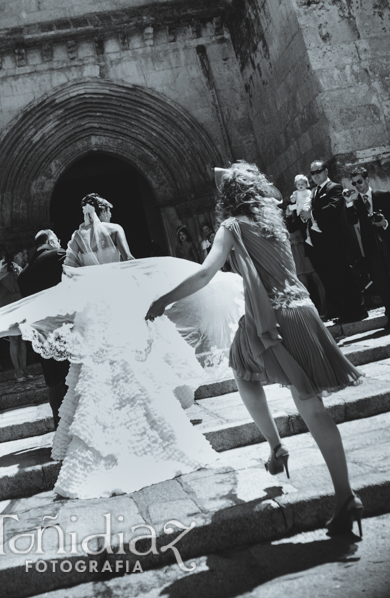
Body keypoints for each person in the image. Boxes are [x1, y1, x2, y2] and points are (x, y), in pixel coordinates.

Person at [147, 161, 365, 539]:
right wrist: (237, 175)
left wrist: (161, 300)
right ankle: (345, 495)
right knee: (309, 404)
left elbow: (204, 274)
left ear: (226, 198)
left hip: (271, 317)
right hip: (303, 310)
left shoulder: (231, 227)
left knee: (243, 372)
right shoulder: (273, 220)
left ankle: (276, 446)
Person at [0, 193, 244, 500]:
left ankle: (99, 438)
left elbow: (69, 274)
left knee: (94, 371)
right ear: (102, 209)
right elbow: (129, 262)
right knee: (133, 362)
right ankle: (146, 430)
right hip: (118, 301)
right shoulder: (116, 230)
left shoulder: (77, 237)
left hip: (93, 310)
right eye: (107, 209)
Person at [17, 229, 69, 427]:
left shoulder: (23, 275)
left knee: (53, 381)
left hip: (42, 334)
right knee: (73, 376)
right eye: (57, 240)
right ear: (51, 240)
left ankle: (60, 426)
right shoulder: (59, 256)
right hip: (67, 327)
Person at [305, 160, 367, 324]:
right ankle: (346, 311)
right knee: (334, 278)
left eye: (318, 171)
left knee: (345, 275)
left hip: (335, 241)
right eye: (313, 173)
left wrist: (310, 214)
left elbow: (333, 209)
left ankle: (358, 310)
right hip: (322, 244)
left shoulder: (334, 187)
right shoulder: (314, 191)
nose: (316, 176)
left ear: (326, 171)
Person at [345, 166, 390, 328]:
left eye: (359, 181)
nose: (357, 185)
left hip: (387, 242)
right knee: (383, 283)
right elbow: (351, 221)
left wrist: (384, 223)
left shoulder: (384, 196)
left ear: (367, 180)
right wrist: (349, 203)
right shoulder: (355, 203)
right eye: (354, 183)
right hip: (371, 249)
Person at [0, 245, 30, 381]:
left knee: (22, 338)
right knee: (13, 339)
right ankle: (16, 371)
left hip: (19, 303)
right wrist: (0, 268)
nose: (5, 263)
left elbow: (25, 278)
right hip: (8, 306)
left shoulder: (14, 271)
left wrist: (17, 267)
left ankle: (24, 369)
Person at [64, 193, 134, 266]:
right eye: (109, 211)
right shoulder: (115, 229)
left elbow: (69, 265)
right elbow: (128, 258)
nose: (110, 214)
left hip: (91, 277)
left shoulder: (78, 235)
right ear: (104, 211)